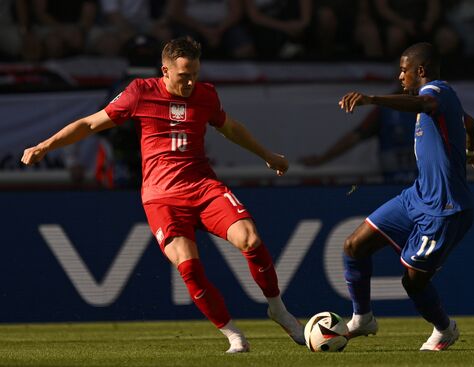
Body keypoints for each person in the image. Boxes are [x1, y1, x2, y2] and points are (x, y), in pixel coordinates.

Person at [21, 37, 305, 353]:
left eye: (195, 74)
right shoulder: (140, 92)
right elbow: (90, 123)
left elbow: (230, 128)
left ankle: (277, 308)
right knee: (188, 266)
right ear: (165, 71)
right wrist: (45, 145)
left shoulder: (206, 94)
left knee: (250, 238)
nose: (190, 82)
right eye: (184, 75)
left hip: (203, 188)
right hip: (162, 198)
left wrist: (266, 154)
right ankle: (234, 335)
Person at [338, 42, 474, 351]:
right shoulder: (439, 99)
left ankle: (444, 329)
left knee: (413, 282)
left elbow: (427, 106)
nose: (399, 75)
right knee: (354, 246)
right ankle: (362, 317)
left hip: (445, 208)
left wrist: (372, 99)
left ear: (421, 71)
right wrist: (468, 149)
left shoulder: (436, 93)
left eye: (404, 70)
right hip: (417, 196)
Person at [299, 90, 417, 183]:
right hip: (394, 186)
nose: (401, 76)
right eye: (401, 71)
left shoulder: (432, 105)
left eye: (406, 71)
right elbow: (355, 136)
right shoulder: (385, 110)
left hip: (427, 187)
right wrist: (322, 159)